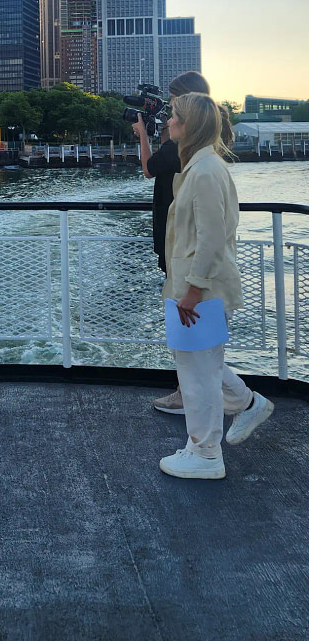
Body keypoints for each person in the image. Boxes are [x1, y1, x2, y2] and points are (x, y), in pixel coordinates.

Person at [158, 92, 274, 479]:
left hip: (198, 292)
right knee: (201, 365)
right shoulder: (201, 166)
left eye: (174, 116)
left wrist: (192, 291)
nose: (168, 122)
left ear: (189, 124)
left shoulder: (205, 171)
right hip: (193, 287)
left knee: (197, 375)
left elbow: (210, 238)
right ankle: (246, 404)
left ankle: (206, 454)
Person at [133, 72, 212, 416]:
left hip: (179, 244)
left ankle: (191, 394)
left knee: (188, 320)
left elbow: (150, 168)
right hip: (180, 243)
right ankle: (194, 393)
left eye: (174, 103)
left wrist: (142, 135)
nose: (169, 109)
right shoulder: (197, 147)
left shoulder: (183, 147)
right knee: (197, 324)